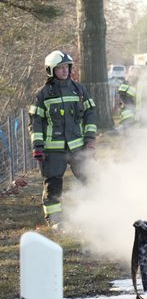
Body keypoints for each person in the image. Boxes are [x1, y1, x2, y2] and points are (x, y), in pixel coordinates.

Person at [28, 50, 98, 228]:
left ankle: (95, 213)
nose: (65, 71)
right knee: (53, 184)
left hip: (78, 147)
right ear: (51, 70)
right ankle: (54, 220)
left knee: (90, 179)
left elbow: (90, 113)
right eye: (60, 68)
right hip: (53, 150)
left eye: (66, 67)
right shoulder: (42, 94)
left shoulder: (79, 89)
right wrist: (38, 146)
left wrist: (90, 139)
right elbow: (35, 122)